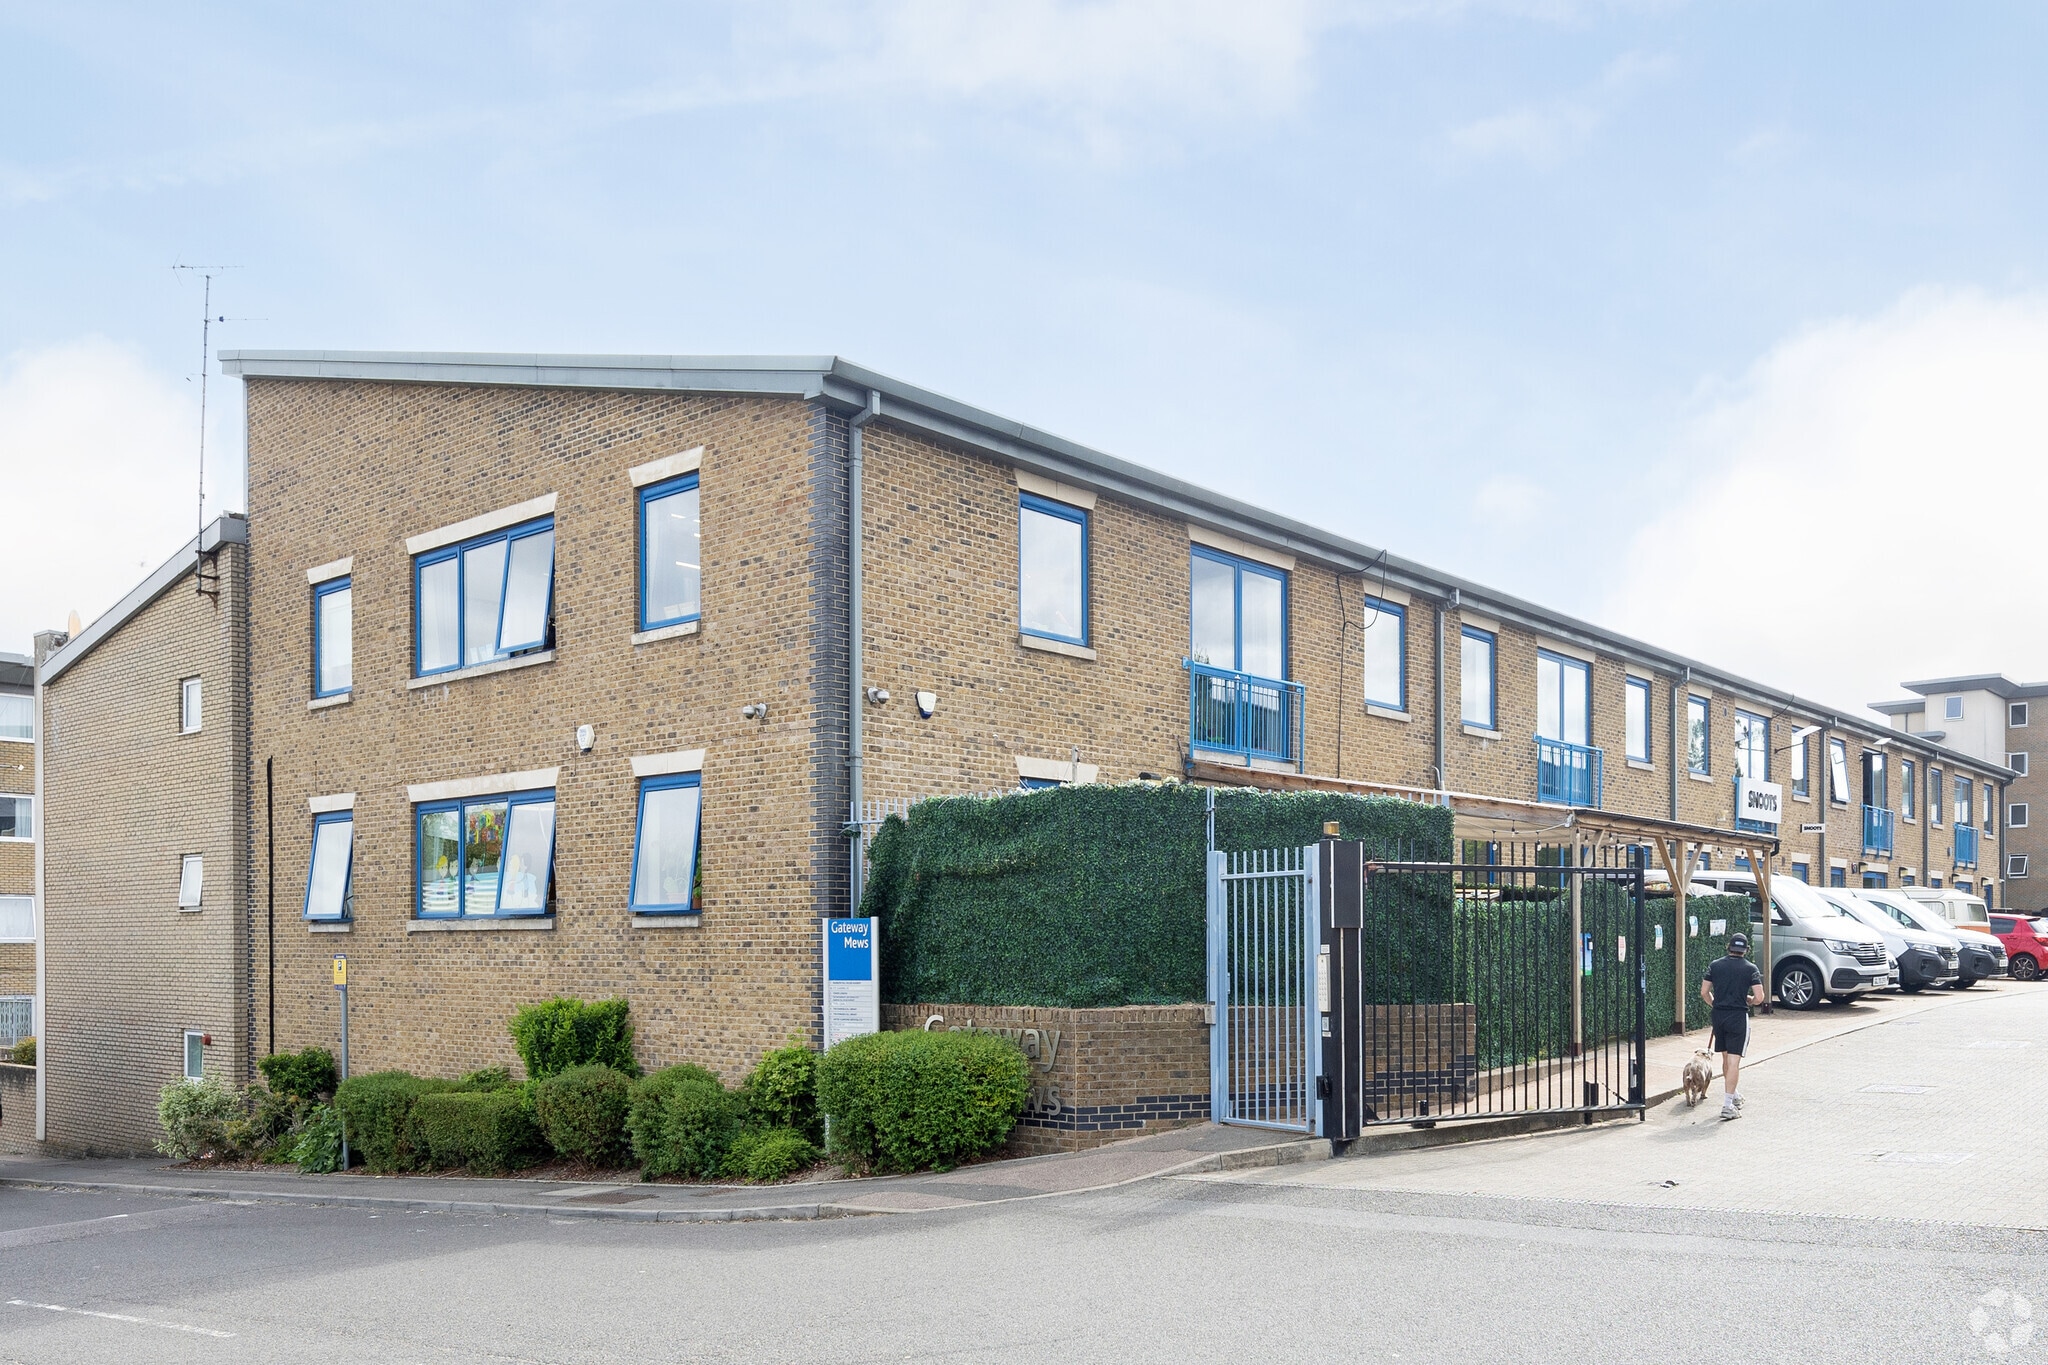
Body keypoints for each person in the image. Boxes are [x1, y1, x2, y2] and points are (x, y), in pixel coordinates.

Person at [1699, 932, 1766, 1120]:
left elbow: (1704, 992)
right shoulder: (1750, 968)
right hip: (1738, 1017)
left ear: (1729, 947)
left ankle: (1734, 1095)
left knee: (1726, 1058)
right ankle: (1727, 1105)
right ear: (1746, 950)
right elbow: (1760, 997)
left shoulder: (1715, 965)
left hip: (1719, 1016)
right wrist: (1751, 1000)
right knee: (1734, 1062)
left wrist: (1715, 1004)